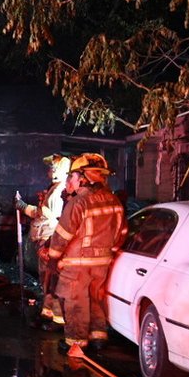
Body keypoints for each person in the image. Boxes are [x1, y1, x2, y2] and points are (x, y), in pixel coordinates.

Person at [44, 153, 127, 358]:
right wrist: (110, 252)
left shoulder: (79, 202)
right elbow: (121, 233)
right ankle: (99, 338)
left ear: (82, 177)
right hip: (103, 263)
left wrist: (53, 257)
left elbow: (63, 235)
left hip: (76, 264)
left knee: (76, 301)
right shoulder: (114, 201)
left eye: (72, 176)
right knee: (95, 299)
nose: (69, 180)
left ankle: (77, 342)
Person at [15, 153, 70, 329]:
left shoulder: (58, 192)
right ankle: (47, 314)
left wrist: (23, 207)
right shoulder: (54, 190)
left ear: (58, 170)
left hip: (49, 241)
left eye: (52, 167)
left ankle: (57, 319)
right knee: (45, 280)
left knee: (50, 280)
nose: (49, 170)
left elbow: (44, 215)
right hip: (45, 241)